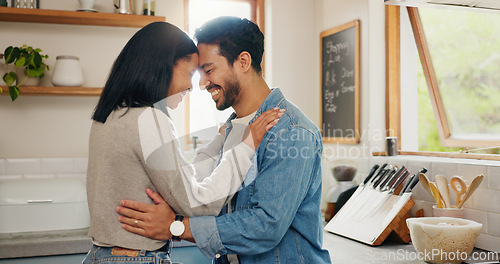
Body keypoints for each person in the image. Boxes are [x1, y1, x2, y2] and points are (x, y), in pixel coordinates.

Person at [116, 17, 332, 263]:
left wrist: (178, 227)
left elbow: (266, 225)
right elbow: (204, 194)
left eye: (208, 70)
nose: (203, 84)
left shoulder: (290, 131)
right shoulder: (230, 130)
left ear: (243, 61)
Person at [83, 21, 282, 263]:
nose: (192, 86)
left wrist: (219, 142)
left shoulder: (112, 113)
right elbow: (198, 203)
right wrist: (247, 146)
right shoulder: (149, 119)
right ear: (162, 67)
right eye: (189, 74)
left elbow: (179, 183)